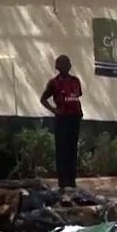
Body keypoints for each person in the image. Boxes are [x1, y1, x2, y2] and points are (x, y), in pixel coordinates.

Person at [40, 55, 82, 189]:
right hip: (62, 120)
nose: (67, 66)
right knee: (62, 150)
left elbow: (77, 96)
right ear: (58, 67)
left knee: (72, 149)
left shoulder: (76, 81)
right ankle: (63, 182)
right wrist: (54, 110)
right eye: (63, 64)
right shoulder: (54, 83)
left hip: (74, 119)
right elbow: (43, 99)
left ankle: (72, 181)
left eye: (68, 63)